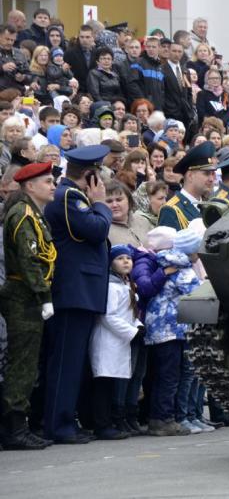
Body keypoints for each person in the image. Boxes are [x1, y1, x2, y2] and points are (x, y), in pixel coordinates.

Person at [42, 144, 112, 444]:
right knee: (66, 362)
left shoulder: (74, 196)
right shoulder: (71, 196)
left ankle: (67, 419)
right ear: (90, 176)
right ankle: (59, 425)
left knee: (73, 361)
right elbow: (96, 229)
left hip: (81, 290)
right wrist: (101, 204)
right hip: (73, 290)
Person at [0, 162, 58, 450]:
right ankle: (13, 429)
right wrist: (43, 296)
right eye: (47, 181)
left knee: (27, 362)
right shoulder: (23, 215)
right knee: (22, 365)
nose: (52, 185)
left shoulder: (33, 213)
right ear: (30, 186)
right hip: (24, 296)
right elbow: (28, 260)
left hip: (28, 296)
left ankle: (18, 425)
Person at [134, 227, 201, 436]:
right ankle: (163, 419)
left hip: (162, 328)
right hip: (171, 329)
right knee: (170, 376)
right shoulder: (182, 269)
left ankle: (162, 417)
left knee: (166, 375)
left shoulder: (166, 263)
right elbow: (197, 294)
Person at [89, 244, 141, 440]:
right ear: (111, 263)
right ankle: (102, 425)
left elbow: (129, 312)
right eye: (120, 258)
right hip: (108, 342)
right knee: (103, 384)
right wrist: (132, 332)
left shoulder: (126, 284)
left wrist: (138, 326)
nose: (126, 261)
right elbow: (107, 316)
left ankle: (109, 422)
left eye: (128, 258)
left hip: (119, 342)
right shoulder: (111, 286)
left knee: (110, 383)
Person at [158, 141, 217, 229]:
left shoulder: (208, 207)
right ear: (190, 176)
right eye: (207, 173)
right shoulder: (171, 210)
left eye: (213, 174)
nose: (211, 179)